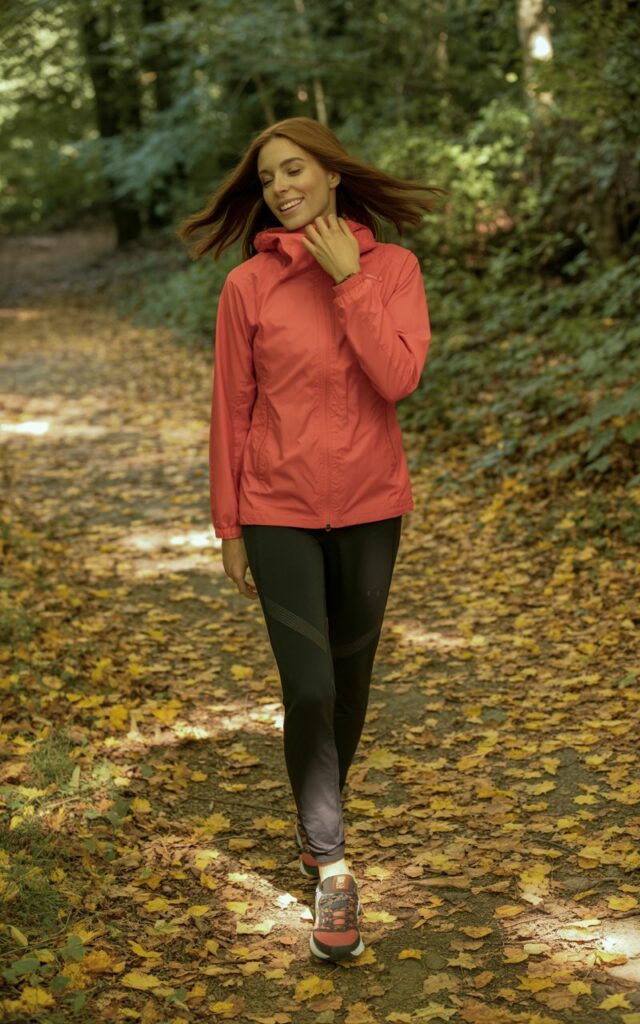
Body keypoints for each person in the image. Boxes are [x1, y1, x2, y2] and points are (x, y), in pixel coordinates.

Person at [178, 116, 441, 962]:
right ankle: (331, 865)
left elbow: (398, 376)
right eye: (267, 178)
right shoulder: (246, 287)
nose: (280, 187)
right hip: (277, 510)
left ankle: (317, 817)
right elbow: (232, 409)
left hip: (370, 508)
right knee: (311, 685)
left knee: (352, 688)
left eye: (295, 170)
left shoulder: (393, 270)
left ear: (331, 175)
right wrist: (229, 525)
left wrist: (348, 280)